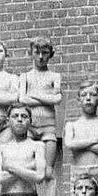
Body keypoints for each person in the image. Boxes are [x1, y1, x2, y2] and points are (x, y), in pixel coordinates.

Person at [63, 81, 98, 196]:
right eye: (84, 95)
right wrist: (95, 140)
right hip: (78, 174)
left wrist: (81, 144)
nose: (88, 98)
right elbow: (69, 144)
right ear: (78, 98)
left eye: (93, 94)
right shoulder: (72, 125)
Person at [18, 36, 62, 181]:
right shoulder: (25, 76)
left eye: (45, 53)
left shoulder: (55, 76)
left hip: (48, 126)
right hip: (29, 127)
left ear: (51, 54)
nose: (41, 57)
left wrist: (34, 95)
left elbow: (56, 99)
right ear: (31, 53)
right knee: (26, 169)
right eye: (37, 53)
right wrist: (45, 97)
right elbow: (22, 99)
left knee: (48, 172)